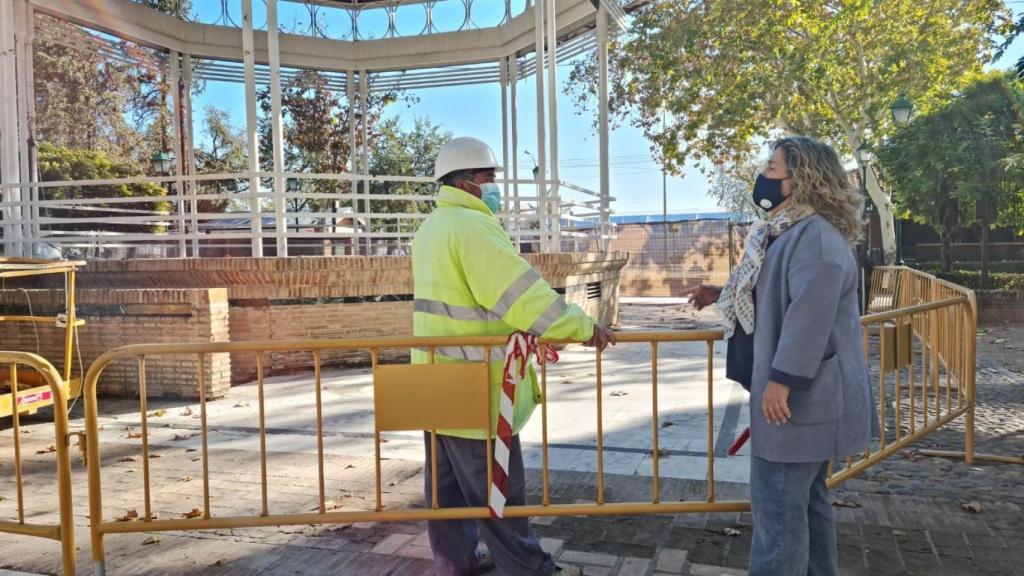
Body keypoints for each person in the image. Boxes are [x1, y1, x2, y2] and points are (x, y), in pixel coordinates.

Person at [412, 136, 616, 576]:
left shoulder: (432, 227)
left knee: (445, 492)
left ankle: (457, 563)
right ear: (467, 183)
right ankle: (530, 569)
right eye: (490, 178)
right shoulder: (473, 228)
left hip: (431, 379)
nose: (495, 186)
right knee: (497, 490)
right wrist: (583, 327)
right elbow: (524, 298)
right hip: (472, 384)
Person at [683, 136, 875, 576]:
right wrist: (721, 293)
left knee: (779, 524)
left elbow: (809, 317)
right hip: (803, 401)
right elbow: (777, 291)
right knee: (806, 507)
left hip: (800, 402)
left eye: (772, 168)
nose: (762, 175)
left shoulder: (816, 241)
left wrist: (782, 380)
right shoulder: (791, 231)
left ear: (800, 180)